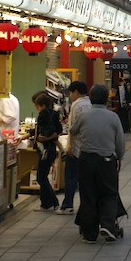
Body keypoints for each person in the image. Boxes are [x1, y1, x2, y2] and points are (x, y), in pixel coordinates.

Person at [69, 84, 125, 244]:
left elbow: (73, 131)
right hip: (106, 160)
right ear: (106, 98)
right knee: (109, 193)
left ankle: (90, 233)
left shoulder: (84, 116)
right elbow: (119, 141)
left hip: (86, 159)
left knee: (88, 194)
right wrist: (119, 156)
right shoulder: (113, 117)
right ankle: (107, 225)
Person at [60, 81, 90, 215]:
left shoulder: (76, 105)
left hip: (77, 146)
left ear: (76, 92)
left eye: (71, 93)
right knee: (85, 179)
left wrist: (69, 146)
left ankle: (67, 205)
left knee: (71, 177)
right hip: (88, 147)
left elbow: (72, 128)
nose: (71, 95)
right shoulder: (90, 103)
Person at [28, 93, 61, 212]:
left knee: (41, 177)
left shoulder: (43, 114)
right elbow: (59, 130)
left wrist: (43, 138)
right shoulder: (54, 114)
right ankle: (53, 202)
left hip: (44, 149)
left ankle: (47, 204)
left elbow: (40, 131)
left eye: (36, 106)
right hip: (51, 148)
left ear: (41, 105)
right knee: (43, 176)